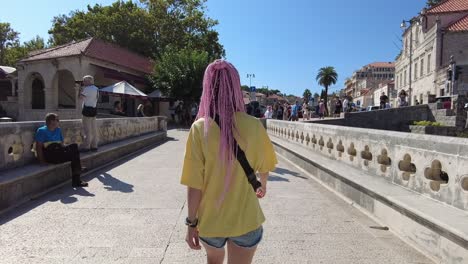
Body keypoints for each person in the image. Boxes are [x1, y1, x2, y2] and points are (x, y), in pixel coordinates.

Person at [181, 60, 277, 264]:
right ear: (235, 87)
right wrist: (262, 184)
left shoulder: (199, 129)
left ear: (207, 87)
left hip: (210, 221)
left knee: (213, 260)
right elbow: (265, 166)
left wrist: (191, 223)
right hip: (246, 219)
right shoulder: (254, 125)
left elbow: (194, 184)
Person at [35, 113, 88, 187]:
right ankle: (78, 169)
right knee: (56, 148)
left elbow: (62, 145)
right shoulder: (41, 131)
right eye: (57, 120)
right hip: (51, 156)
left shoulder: (58, 130)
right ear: (51, 121)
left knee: (74, 147)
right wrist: (42, 161)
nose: (58, 122)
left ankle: (76, 180)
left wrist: (68, 150)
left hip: (59, 153)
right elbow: (38, 147)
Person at [80, 75, 99, 152]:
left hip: (87, 111)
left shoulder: (87, 89)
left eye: (84, 81)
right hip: (93, 110)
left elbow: (80, 97)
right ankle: (94, 146)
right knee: (94, 129)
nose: (83, 82)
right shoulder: (96, 89)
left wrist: (80, 90)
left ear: (89, 81)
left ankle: (86, 146)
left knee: (87, 130)